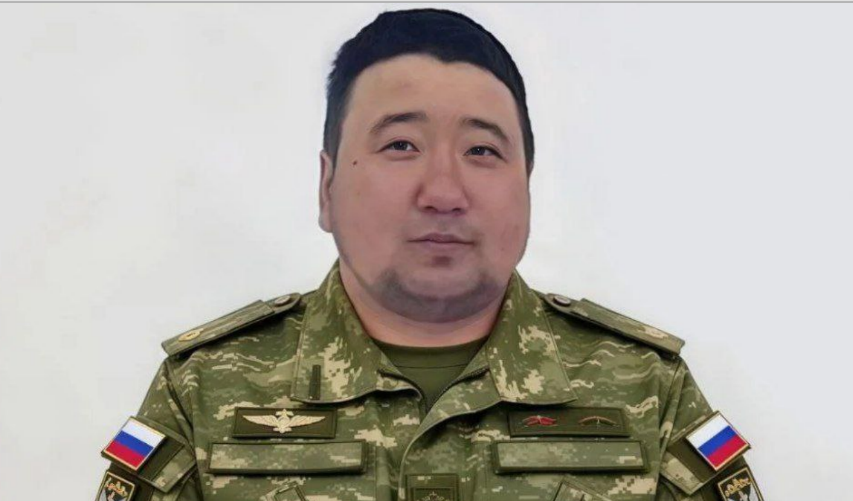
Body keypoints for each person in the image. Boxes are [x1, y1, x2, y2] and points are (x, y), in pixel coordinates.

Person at [94, 8, 762, 501]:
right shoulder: (204, 388)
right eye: (400, 146)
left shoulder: (646, 386)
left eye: (482, 150)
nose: (443, 192)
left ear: (527, 187)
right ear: (326, 187)